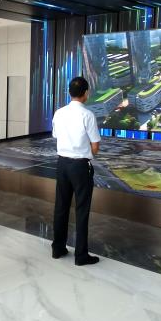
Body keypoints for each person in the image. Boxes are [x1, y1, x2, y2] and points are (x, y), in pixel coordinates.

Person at [51, 76, 101, 266]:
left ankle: (58, 248)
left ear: (69, 92)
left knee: (61, 207)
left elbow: (56, 135)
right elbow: (95, 146)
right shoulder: (88, 115)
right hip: (80, 166)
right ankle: (81, 255)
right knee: (82, 210)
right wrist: (86, 154)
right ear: (86, 93)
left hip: (62, 164)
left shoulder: (59, 113)